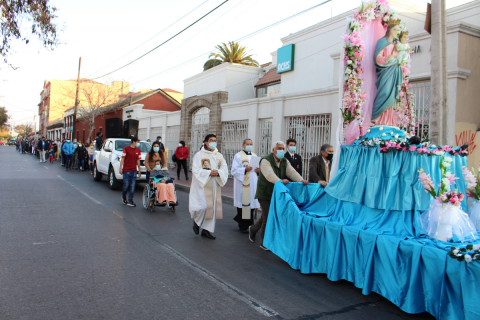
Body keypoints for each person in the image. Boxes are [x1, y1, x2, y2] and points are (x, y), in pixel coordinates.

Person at [249, 141, 309, 250]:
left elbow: (291, 172)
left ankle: (253, 229)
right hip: (265, 193)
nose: (281, 150)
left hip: (276, 193)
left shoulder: (284, 161)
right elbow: (269, 175)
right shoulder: (266, 160)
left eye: (282, 148)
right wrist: (280, 181)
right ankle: (264, 242)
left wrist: (301, 180)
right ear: (273, 150)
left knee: (265, 215)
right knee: (268, 217)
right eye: (279, 148)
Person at [189, 134, 228, 240]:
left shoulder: (219, 155)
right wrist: (209, 173)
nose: (213, 142)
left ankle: (206, 230)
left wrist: (218, 172)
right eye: (211, 140)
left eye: (215, 140)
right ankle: (197, 222)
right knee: (203, 206)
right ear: (205, 142)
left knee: (212, 207)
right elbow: (196, 170)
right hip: (202, 184)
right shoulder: (199, 155)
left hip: (214, 184)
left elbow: (225, 169)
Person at [231, 138, 260, 233]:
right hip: (242, 184)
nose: (249, 146)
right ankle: (243, 226)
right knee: (243, 204)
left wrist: (258, 171)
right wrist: (244, 169)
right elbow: (234, 170)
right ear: (243, 145)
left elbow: (258, 170)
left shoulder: (255, 156)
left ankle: (249, 224)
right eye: (247, 144)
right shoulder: (238, 156)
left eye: (251, 144)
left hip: (252, 184)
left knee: (251, 204)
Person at [119, 136, 142, 207]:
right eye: (137, 142)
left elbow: (138, 160)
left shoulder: (138, 150)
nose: (138, 143)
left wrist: (139, 170)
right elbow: (122, 159)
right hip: (126, 170)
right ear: (133, 142)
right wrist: (121, 168)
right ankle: (123, 196)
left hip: (134, 170)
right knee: (126, 185)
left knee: (133, 186)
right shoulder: (126, 149)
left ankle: (130, 200)